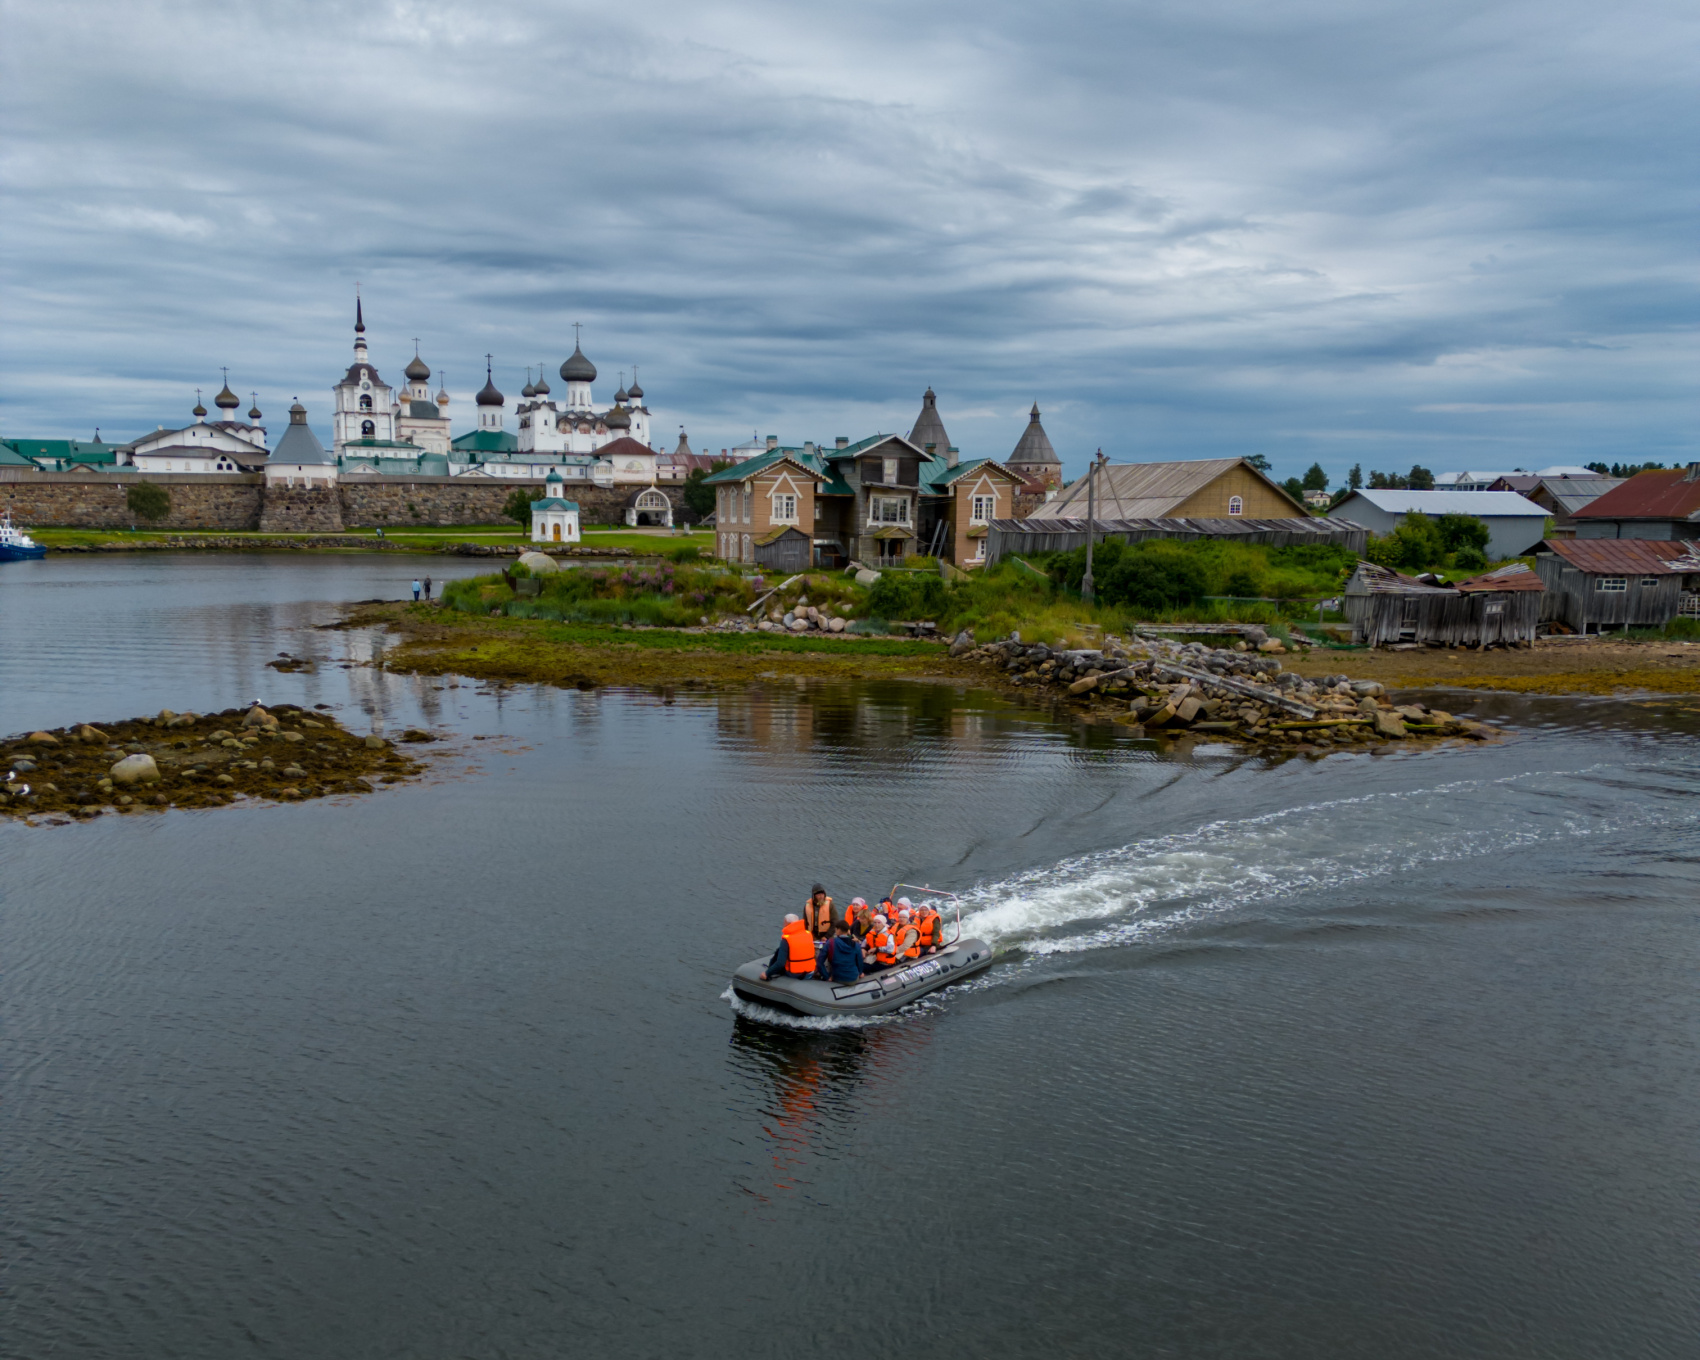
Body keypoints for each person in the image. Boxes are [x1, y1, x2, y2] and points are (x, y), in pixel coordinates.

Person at [761, 913, 818, 981]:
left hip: (794, 974)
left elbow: (780, 963)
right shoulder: (808, 934)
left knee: (778, 952)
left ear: (787, 924)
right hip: (810, 972)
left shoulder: (787, 939)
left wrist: (767, 974)